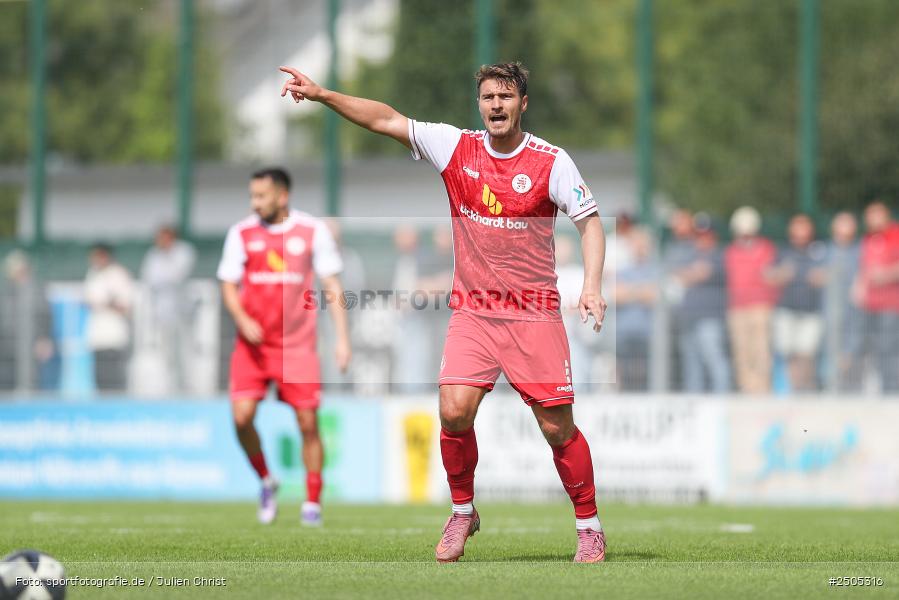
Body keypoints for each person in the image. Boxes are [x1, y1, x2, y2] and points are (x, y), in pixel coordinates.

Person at [280, 61, 608, 563]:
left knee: (556, 427)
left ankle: (589, 526)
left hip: (534, 314)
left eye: (505, 97)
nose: (495, 105)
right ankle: (462, 512)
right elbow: (386, 120)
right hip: (474, 311)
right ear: (479, 104)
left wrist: (591, 286)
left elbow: (589, 222)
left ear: (523, 103)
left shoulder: (550, 161)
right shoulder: (456, 146)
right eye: (487, 98)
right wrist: (323, 95)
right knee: (453, 411)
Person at [217, 167, 351, 526]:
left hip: (297, 346)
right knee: (241, 418)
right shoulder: (241, 233)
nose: (254, 203)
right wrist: (242, 319)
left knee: (308, 422)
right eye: (252, 196)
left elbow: (332, 286)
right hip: (253, 346)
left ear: (282, 196)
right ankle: (266, 479)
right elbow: (228, 284)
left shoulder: (311, 231)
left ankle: (312, 502)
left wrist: (342, 339)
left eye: (261, 196)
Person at [767, 214, 827, 392]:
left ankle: (804, 389)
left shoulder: (819, 251)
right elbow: (769, 275)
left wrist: (822, 277)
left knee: (806, 354)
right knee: (787, 353)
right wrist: (781, 275)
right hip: (787, 311)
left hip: (811, 312)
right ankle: (791, 390)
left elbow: (830, 274)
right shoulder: (783, 251)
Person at [674, 216, 731, 393]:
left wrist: (689, 274)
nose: (702, 239)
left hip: (710, 317)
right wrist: (690, 273)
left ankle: (722, 400)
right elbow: (676, 274)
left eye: (706, 235)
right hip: (689, 316)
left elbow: (701, 274)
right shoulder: (690, 254)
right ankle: (694, 401)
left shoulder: (719, 256)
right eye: (698, 235)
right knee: (692, 363)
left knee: (714, 359)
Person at [724, 206, 778, 394]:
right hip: (738, 308)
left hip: (760, 306)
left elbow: (770, 274)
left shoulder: (765, 248)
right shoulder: (731, 251)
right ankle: (747, 389)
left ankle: (762, 390)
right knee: (741, 352)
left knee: (761, 351)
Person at [140, 225, 196, 393]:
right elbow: (149, 278)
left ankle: (187, 386)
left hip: (184, 312)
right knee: (167, 354)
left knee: (186, 351)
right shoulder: (153, 256)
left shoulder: (184, 251)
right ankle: (171, 388)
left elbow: (177, 276)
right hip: (163, 314)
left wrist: (163, 278)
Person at [855, 201, 899, 393]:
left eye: (877, 215)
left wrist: (886, 274)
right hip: (870, 304)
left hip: (891, 303)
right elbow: (864, 268)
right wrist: (859, 287)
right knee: (873, 348)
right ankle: (880, 387)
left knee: (889, 347)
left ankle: (892, 389)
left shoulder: (895, 235)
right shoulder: (868, 239)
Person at [84, 243, 135, 392]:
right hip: (97, 337)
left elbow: (125, 305)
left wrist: (105, 303)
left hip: (114, 337)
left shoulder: (119, 274)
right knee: (99, 380)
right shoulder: (92, 273)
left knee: (115, 381)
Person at [823, 212, 862, 391]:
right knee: (831, 351)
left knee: (853, 352)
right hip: (831, 311)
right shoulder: (825, 251)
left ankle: (853, 389)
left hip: (856, 311)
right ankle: (832, 388)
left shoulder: (860, 251)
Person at [614, 228, 658, 391]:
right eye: (636, 244)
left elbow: (654, 296)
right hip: (624, 332)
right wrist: (641, 291)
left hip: (647, 332)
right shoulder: (622, 271)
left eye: (643, 244)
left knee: (645, 374)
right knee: (625, 374)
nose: (640, 248)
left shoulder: (656, 270)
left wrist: (630, 291)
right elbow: (617, 295)